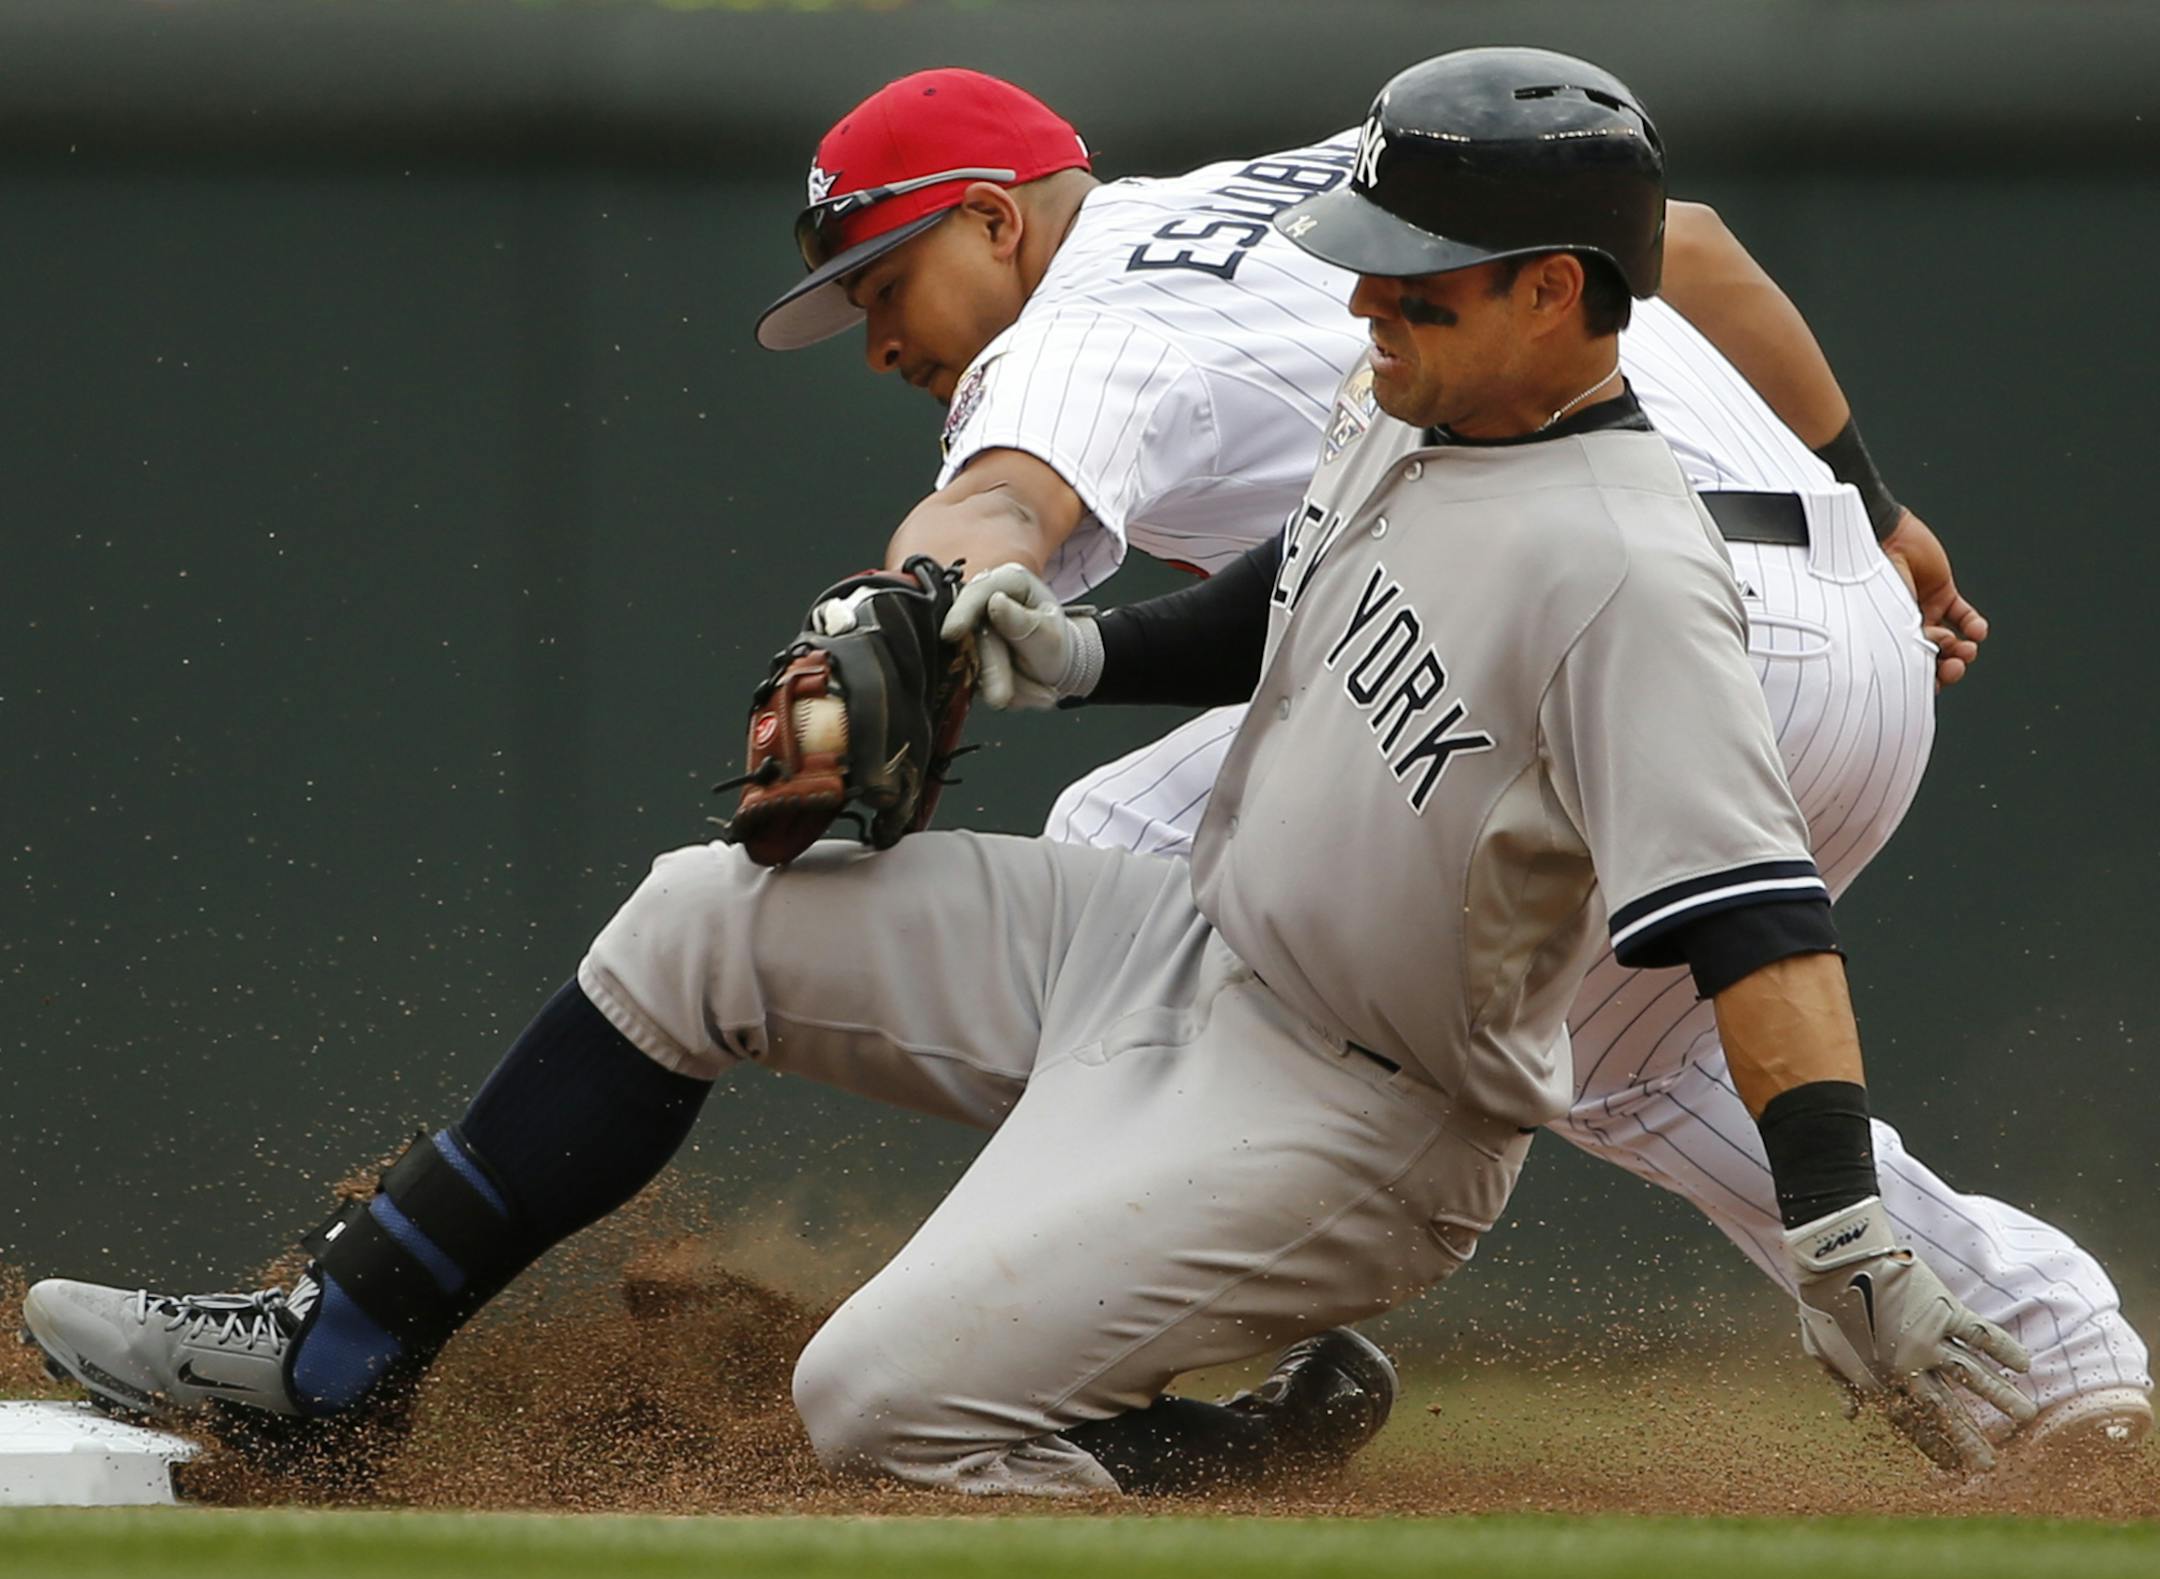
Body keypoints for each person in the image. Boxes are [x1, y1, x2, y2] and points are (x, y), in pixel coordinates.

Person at [23, 50, 2039, 1494]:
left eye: (888, 284)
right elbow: (1291, 577)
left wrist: (1841, 1220)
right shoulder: (1417, 383)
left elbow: (1746, 913)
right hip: (1195, 942)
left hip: (1362, 1102)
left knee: (875, 1406)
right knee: (707, 914)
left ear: (1546, 288)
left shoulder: (1609, 566)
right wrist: (1075, 650)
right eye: (1370, 258)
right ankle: (340, 1353)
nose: (1362, 297)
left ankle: (1154, 1439)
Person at [750, 67, 2151, 1453]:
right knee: (1628, 1065)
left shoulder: (1076, 330)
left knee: (1120, 861)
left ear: (996, 221)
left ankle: (1090, 1336)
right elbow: (1697, 249)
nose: (879, 340)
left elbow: (999, 498)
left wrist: (912, 602)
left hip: (1615, 611)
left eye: (885, 284)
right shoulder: (1327, 178)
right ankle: (2053, 1362)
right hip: (1843, 625)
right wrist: (1875, 499)